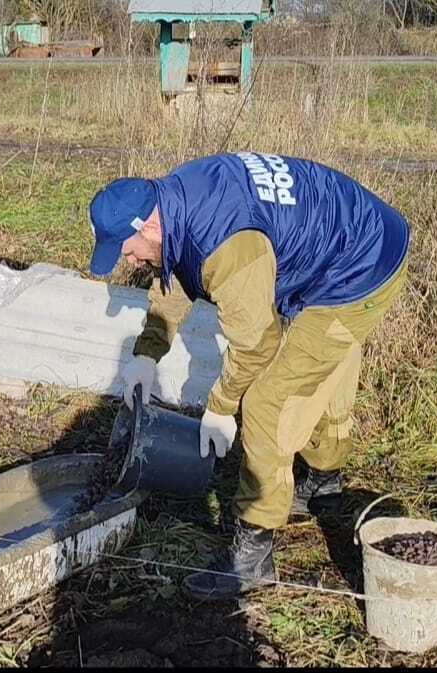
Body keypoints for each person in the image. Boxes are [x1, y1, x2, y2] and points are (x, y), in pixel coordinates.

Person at [88, 152, 410, 600]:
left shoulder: (225, 245)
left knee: (266, 401)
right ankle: (322, 482)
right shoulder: (177, 198)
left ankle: (253, 555)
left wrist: (221, 407)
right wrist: (148, 353)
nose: (134, 262)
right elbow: (178, 272)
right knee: (320, 362)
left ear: (149, 227)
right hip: (352, 240)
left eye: (129, 250)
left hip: (362, 267)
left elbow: (258, 344)